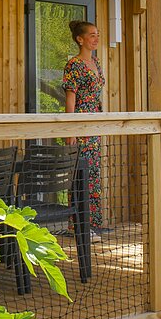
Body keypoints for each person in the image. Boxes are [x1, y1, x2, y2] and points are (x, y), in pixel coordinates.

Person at [62, 20, 108, 233]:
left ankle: (93, 223)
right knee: (81, 174)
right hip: (80, 124)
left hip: (94, 125)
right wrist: (70, 129)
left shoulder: (96, 63)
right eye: (91, 35)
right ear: (80, 39)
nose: (96, 38)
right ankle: (79, 225)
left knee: (93, 173)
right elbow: (70, 98)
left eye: (97, 34)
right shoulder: (74, 65)